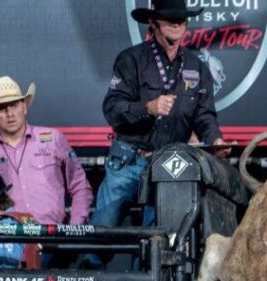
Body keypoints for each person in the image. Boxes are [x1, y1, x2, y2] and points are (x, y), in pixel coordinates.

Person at [94, 0, 228, 229]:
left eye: (181, 19)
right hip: (129, 160)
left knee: (159, 239)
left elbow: (205, 115)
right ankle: (89, 265)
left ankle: (146, 264)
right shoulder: (131, 60)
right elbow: (112, 108)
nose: (176, 24)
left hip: (170, 166)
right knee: (103, 230)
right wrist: (148, 108)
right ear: (153, 22)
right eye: (169, 18)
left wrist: (215, 139)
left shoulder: (197, 67)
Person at [0, 76, 92, 227]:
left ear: (24, 107)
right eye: (2, 108)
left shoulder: (54, 139)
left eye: (14, 105)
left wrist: (75, 229)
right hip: (8, 242)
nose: (10, 113)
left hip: (53, 239)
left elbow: (80, 187)